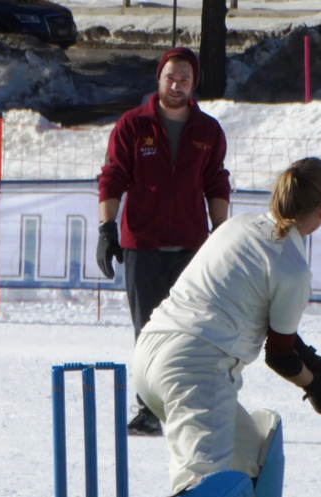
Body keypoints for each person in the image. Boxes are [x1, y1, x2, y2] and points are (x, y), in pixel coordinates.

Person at [124, 157, 321, 497]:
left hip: (149, 355)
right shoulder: (293, 267)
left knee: (258, 449)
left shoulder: (237, 226)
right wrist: (317, 388)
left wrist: (307, 356)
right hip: (197, 368)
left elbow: (256, 314)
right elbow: (278, 356)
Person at [96, 46, 232, 437]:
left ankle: (188, 407)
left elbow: (216, 183)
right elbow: (112, 177)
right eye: (170, 78)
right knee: (149, 333)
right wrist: (107, 229)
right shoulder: (132, 125)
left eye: (184, 80)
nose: (176, 86)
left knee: (192, 332)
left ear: (194, 85)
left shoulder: (208, 131)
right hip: (143, 247)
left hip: (191, 248)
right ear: (159, 78)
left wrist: (220, 233)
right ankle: (150, 411)